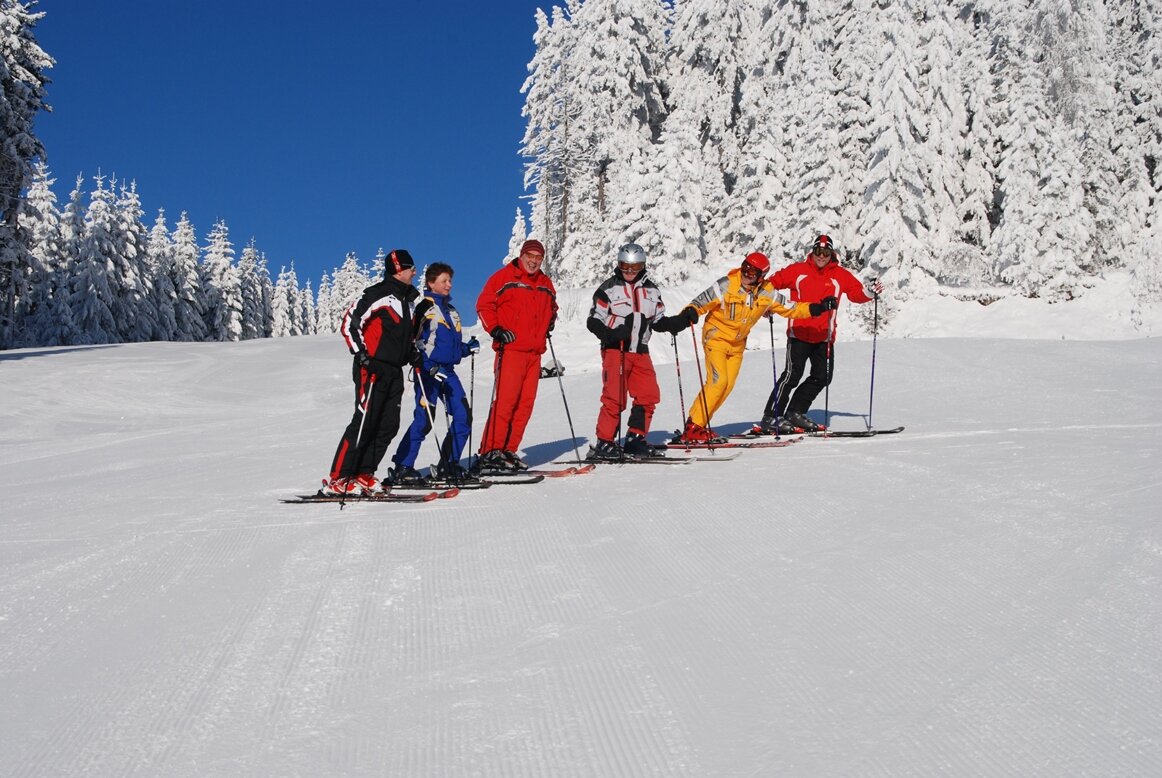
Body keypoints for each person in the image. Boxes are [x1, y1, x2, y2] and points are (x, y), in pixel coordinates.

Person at [674, 251, 830, 444]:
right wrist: (688, 314)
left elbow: (791, 308)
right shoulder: (726, 284)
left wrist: (818, 308)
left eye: (752, 272)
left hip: (737, 345)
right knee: (718, 382)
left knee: (727, 386)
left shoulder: (767, 293)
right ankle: (693, 426)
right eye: (745, 267)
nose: (746, 274)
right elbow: (699, 302)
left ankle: (699, 426)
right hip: (716, 339)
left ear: (761, 276)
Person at [755, 234, 884, 434]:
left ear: (831, 254)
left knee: (822, 377)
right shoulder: (798, 271)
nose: (821, 256)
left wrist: (870, 292)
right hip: (799, 334)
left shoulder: (840, 275)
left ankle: (795, 412)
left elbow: (856, 294)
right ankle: (771, 416)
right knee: (791, 376)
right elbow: (771, 284)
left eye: (826, 252)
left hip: (824, 337)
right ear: (812, 252)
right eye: (818, 251)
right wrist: (768, 304)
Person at [322, 249, 422, 495]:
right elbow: (350, 323)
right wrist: (362, 354)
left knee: (389, 425)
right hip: (372, 368)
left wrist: (411, 353)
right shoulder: (378, 294)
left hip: (394, 371)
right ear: (399, 269)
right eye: (411, 267)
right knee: (365, 421)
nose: (415, 272)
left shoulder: (408, 301)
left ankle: (364, 473)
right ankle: (340, 477)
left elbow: (400, 338)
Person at [585, 243, 691, 460]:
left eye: (635, 267)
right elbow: (594, 320)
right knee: (615, 398)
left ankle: (635, 439)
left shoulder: (652, 290)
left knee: (648, 395)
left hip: (641, 351)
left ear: (643, 266)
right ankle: (604, 443)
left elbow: (658, 321)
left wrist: (678, 322)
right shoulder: (608, 289)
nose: (630, 272)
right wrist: (610, 334)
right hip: (616, 350)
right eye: (625, 266)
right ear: (618, 264)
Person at [387, 262, 481, 484]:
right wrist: (429, 367)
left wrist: (468, 348)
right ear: (431, 283)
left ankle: (449, 464)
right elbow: (416, 343)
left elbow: (451, 348)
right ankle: (402, 467)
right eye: (444, 281)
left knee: (463, 416)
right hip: (427, 372)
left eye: (450, 281)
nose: (449, 285)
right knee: (424, 420)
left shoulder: (451, 311)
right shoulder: (424, 309)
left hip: (447, 372)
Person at [473, 238, 558, 473]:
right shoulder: (504, 278)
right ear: (521, 256)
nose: (533, 261)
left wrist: (549, 322)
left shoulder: (545, 283)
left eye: (538, 258)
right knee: (506, 402)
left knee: (525, 404)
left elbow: (553, 307)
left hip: (534, 353)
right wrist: (496, 329)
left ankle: (508, 450)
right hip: (510, 350)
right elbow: (484, 305)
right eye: (530, 256)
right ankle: (491, 452)